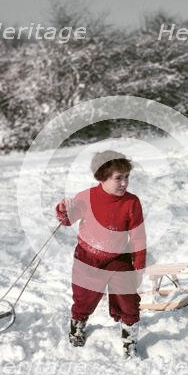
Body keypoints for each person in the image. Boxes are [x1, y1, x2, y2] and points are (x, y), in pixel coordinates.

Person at [56, 150, 147, 357]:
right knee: (84, 298)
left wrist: (138, 266)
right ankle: (77, 325)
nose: (124, 183)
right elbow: (67, 220)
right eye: (118, 178)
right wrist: (63, 209)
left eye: (126, 177)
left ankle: (129, 339)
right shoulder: (86, 198)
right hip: (87, 258)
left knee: (129, 300)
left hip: (118, 258)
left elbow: (138, 236)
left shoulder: (131, 202)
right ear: (102, 177)